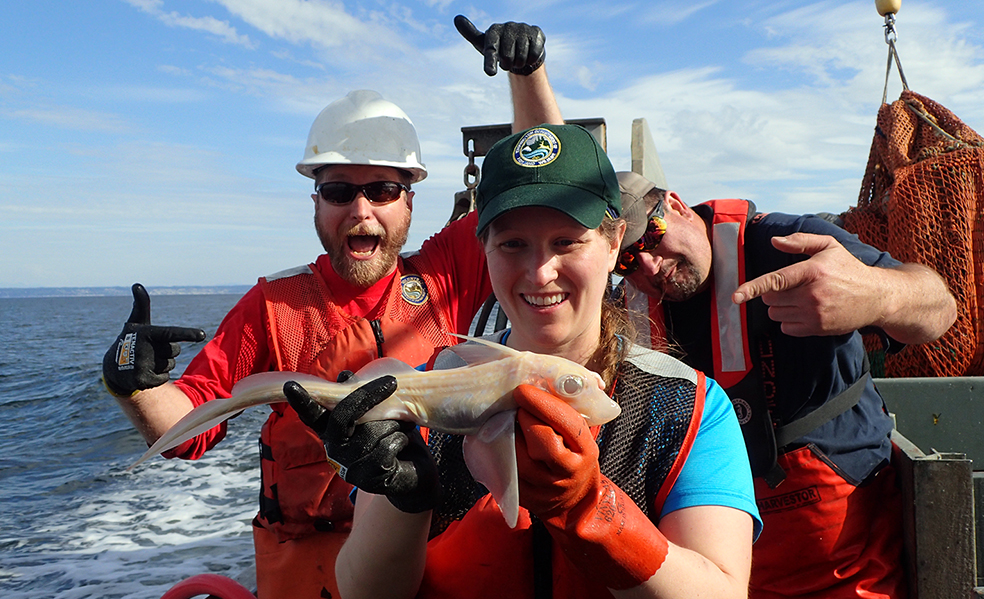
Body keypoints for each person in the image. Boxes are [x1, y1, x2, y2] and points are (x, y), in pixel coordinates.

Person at [100, 17, 562, 599]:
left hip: (429, 558)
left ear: (410, 202)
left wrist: (527, 74)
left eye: (384, 190)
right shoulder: (273, 306)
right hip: (308, 575)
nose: (362, 211)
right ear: (316, 203)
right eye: (340, 191)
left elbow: (541, 180)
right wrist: (134, 384)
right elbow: (187, 427)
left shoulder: (446, 272)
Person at [286, 123, 762, 599]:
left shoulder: (689, 407)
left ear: (614, 242)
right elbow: (366, 593)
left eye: (567, 242)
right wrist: (404, 500)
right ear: (484, 248)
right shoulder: (427, 394)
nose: (540, 272)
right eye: (512, 244)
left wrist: (587, 509)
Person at [613, 170, 957, 599]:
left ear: (678, 205)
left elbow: (940, 308)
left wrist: (877, 293)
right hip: (710, 540)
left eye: (652, 236)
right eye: (625, 260)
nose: (648, 264)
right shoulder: (620, 312)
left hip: (844, 539)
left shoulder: (790, 243)